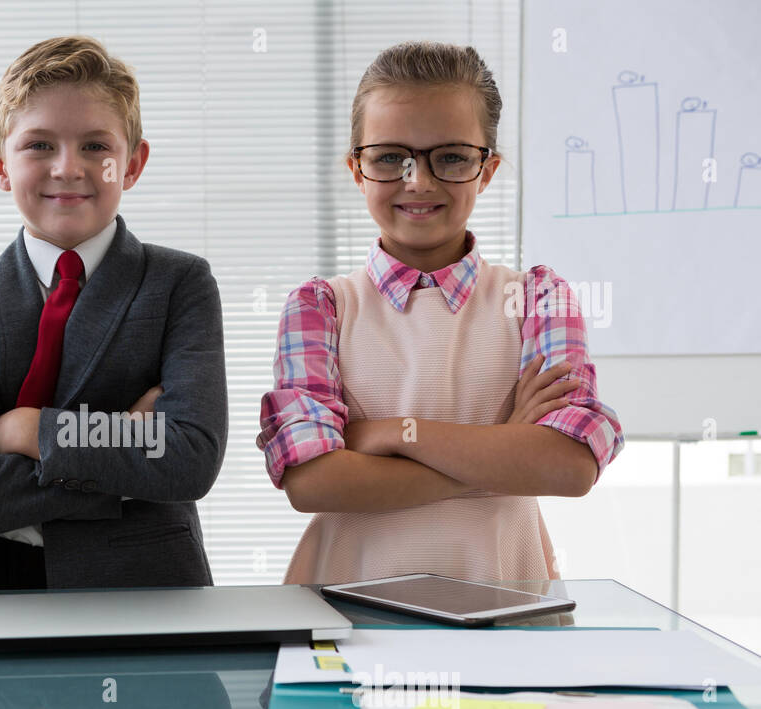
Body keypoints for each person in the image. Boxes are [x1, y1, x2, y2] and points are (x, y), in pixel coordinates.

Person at [258, 41, 623, 585]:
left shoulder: (539, 299)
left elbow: (569, 467)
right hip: (344, 610)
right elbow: (312, 483)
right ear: (357, 169)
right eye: (389, 158)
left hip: (507, 602)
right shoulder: (321, 308)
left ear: (488, 169)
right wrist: (503, 450)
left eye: (450, 156)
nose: (419, 181)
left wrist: (395, 434)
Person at [0, 35, 227, 591]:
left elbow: (189, 458)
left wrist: (28, 430)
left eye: (95, 146)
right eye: (39, 145)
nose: (67, 168)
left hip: (145, 587)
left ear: (131, 164)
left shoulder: (179, 284)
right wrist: (125, 443)